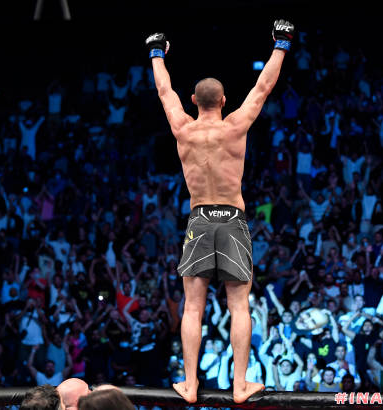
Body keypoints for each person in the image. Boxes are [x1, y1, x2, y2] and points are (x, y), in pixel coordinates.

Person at [145, 18, 294, 404]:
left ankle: (190, 383)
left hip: (199, 219)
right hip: (231, 219)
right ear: (224, 101)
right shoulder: (235, 127)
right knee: (238, 303)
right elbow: (263, 88)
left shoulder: (182, 128)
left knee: (192, 306)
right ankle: (240, 384)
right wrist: (281, 44)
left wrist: (157, 52)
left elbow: (164, 90)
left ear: (193, 101)